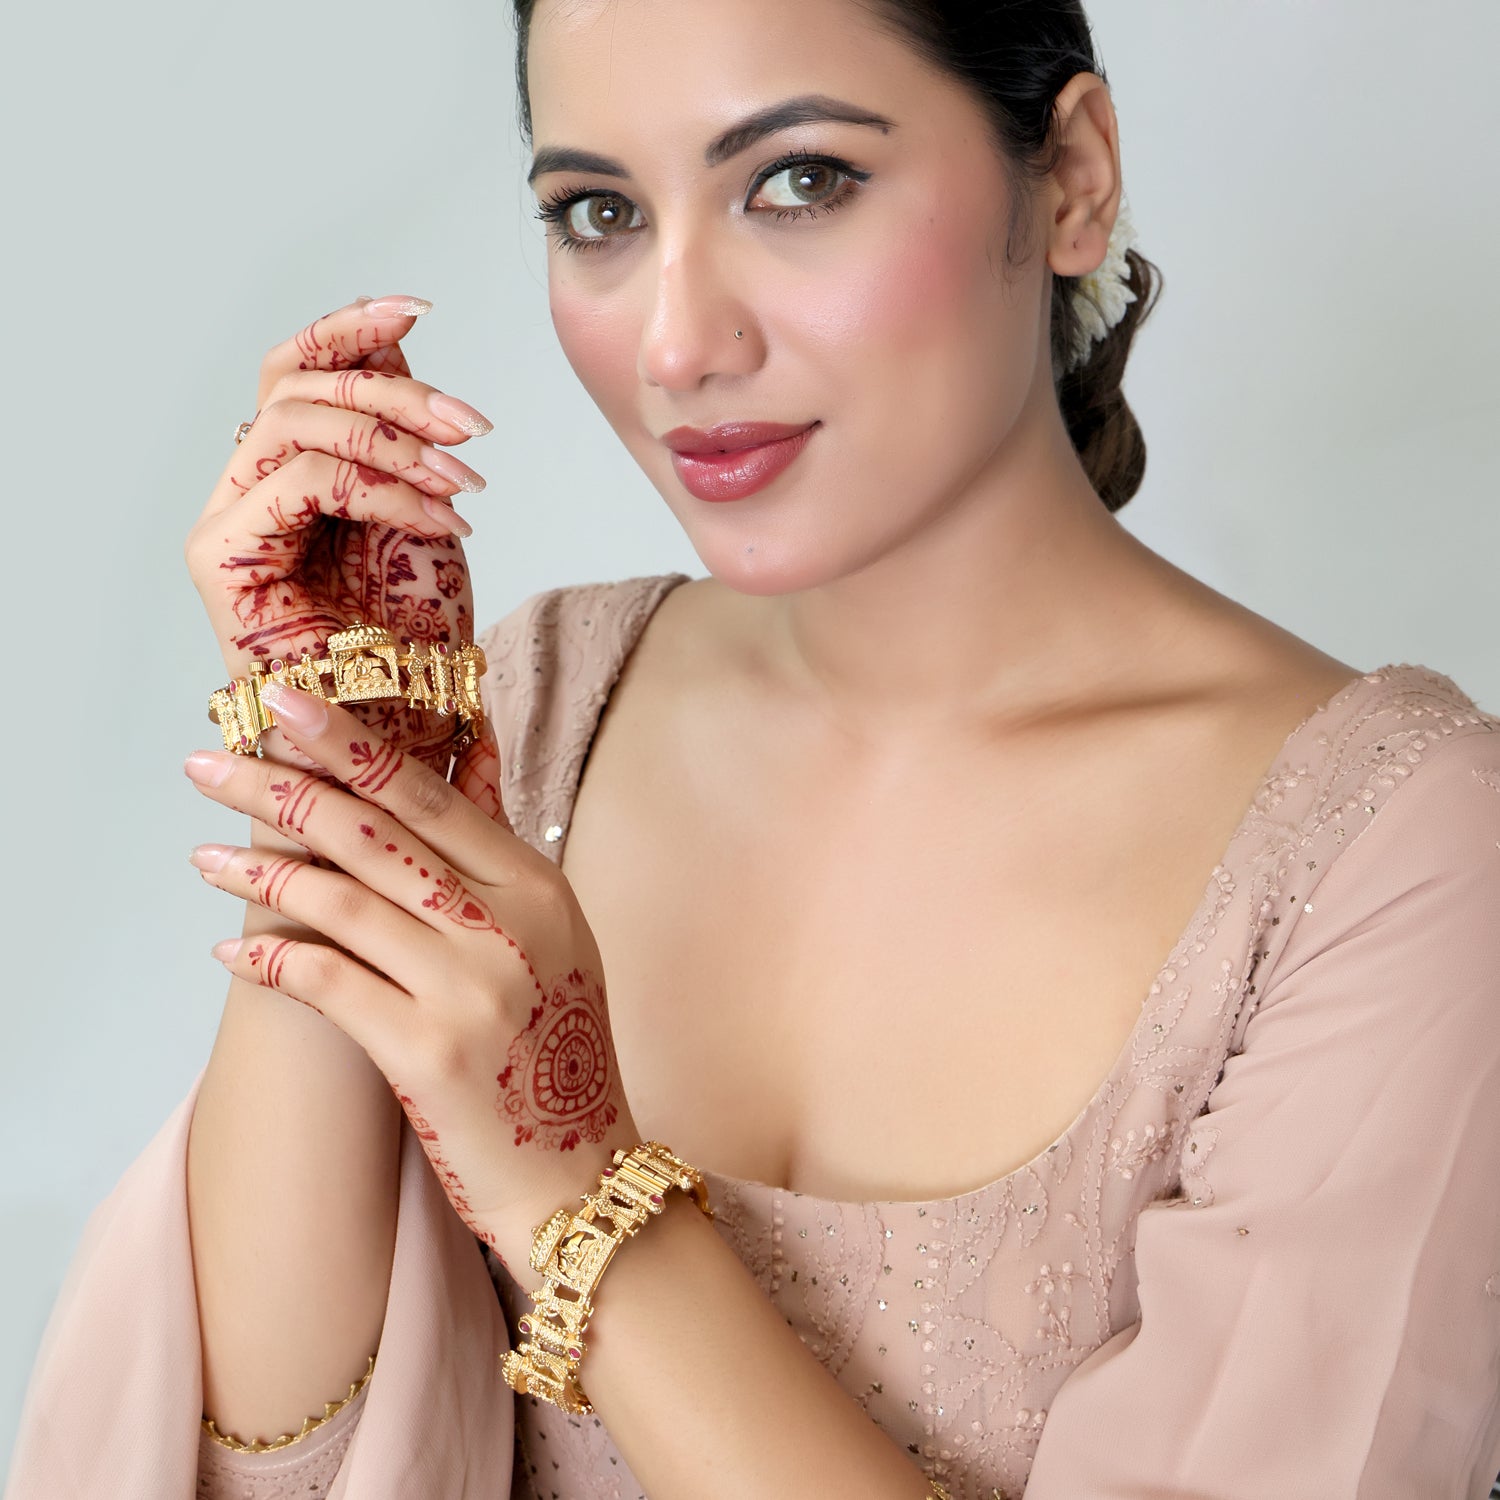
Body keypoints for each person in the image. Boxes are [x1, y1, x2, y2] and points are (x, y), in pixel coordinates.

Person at [7, 0, 1500, 1496]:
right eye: (600, 213)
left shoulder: (1399, 855)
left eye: (800, 182)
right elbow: (270, 1471)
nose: (677, 343)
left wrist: (578, 1187)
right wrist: (335, 764)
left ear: (1071, 179)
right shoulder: (534, 710)